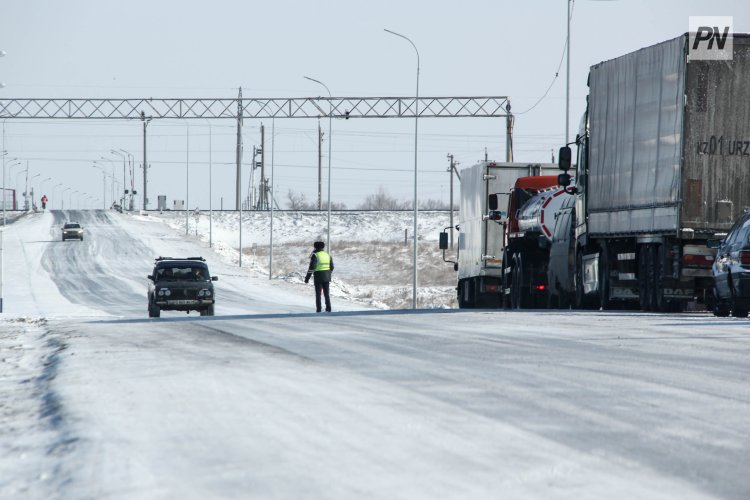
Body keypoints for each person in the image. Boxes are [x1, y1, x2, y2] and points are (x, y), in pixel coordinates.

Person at [304, 241, 334, 312]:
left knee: (318, 294)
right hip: (327, 276)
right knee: (326, 294)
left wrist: (307, 278)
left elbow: (312, 268)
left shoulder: (315, 255)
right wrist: (328, 273)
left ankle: (319, 309)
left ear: (315, 247)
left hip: (318, 277)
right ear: (323, 247)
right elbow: (332, 267)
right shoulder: (328, 255)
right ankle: (328, 308)